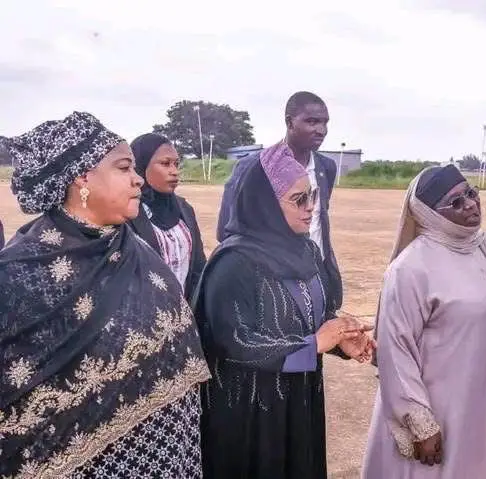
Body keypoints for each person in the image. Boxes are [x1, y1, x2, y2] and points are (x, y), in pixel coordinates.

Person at [0, 112, 210, 478]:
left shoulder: (134, 248)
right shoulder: (20, 272)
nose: (137, 179)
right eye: (124, 168)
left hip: (165, 453)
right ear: (82, 177)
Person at [193, 140, 374, 478]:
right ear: (263, 203)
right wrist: (313, 345)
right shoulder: (233, 263)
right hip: (252, 416)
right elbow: (233, 342)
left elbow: (311, 318)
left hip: (299, 401)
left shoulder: (306, 251)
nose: (311, 207)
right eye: (298, 199)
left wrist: (339, 340)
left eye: (313, 196)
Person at [362, 164, 486, 479]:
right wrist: (419, 422)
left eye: (471, 193)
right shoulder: (411, 268)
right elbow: (395, 350)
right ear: (429, 214)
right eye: (456, 202)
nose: (470, 204)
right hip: (446, 409)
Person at [216, 91, 342, 306]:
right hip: (270, 277)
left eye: (324, 122)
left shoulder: (326, 168)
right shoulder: (254, 167)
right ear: (289, 122)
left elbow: (318, 220)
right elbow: (227, 230)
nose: (321, 130)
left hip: (314, 271)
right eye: (312, 122)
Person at [128, 132, 206, 300]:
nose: (174, 171)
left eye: (176, 164)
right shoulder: (126, 212)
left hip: (185, 311)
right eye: (165, 163)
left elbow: (198, 267)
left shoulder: (184, 209)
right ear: (140, 166)